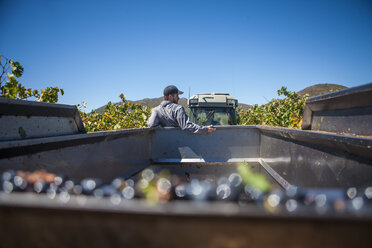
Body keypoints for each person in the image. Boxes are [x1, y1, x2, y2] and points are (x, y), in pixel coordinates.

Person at [147, 85, 216, 134]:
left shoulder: (156, 110)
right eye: (177, 95)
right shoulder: (178, 108)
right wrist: (205, 129)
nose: (179, 98)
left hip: (165, 144)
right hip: (181, 142)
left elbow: (151, 125)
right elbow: (186, 126)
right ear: (170, 96)